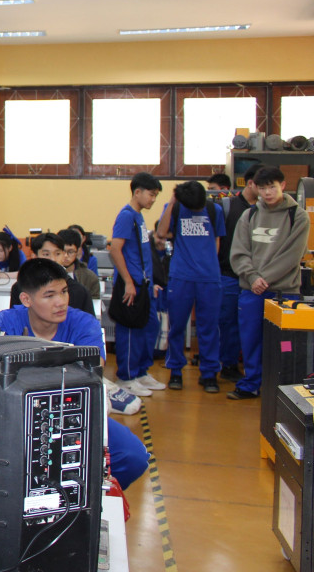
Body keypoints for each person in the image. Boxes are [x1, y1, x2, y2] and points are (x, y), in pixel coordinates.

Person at [0, 258, 149, 488]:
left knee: (134, 456)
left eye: (64, 291)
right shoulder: (4, 322)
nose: (61, 302)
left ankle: (88, 496)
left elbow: (93, 370)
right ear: (26, 299)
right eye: (49, 295)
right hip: (18, 415)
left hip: (73, 411)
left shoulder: (84, 323)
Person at [228, 166, 311, 400]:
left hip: (284, 292)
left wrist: (264, 279)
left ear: (282, 186)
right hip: (252, 291)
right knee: (251, 341)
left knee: (284, 345)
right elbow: (239, 252)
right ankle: (250, 385)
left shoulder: (298, 216)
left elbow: (293, 255)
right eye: (262, 188)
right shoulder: (249, 216)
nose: (267, 193)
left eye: (272, 187)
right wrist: (253, 278)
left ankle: (282, 388)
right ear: (255, 188)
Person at [157, 181, 226, 392]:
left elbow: (216, 240)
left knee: (209, 328)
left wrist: (207, 265)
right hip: (181, 277)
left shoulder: (214, 210)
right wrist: (172, 202)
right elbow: (161, 232)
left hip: (209, 278)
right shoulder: (176, 208)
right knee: (176, 326)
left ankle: (209, 373)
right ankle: (176, 371)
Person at [109, 172, 164, 398]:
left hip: (144, 285)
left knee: (150, 327)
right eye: (151, 194)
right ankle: (127, 376)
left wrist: (149, 282)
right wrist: (128, 282)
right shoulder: (126, 216)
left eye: (156, 195)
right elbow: (115, 249)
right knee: (131, 331)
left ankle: (141, 371)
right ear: (137, 192)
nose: (153, 199)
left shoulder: (139, 217)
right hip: (131, 285)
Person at [214, 163, 261, 381]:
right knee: (229, 324)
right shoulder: (228, 206)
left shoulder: (265, 211)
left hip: (257, 279)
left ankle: (255, 369)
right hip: (229, 275)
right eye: (262, 185)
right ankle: (229, 365)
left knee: (254, 327)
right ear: (250, 183)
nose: (266, 190)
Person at [10, 233, 95, 316]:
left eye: (58, 254)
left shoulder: (79, 291)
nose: (53, 259)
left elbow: (89, 324)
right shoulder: (20, 288)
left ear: (64, 256)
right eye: (46, 254)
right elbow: (14, 321)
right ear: (34, 256)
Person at [58, 228, 102, 301]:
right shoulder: (49, 274)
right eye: (62, 251)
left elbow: (94, 303)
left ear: (78, 251)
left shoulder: (89, 277)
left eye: (70, 252)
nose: (66, 256)